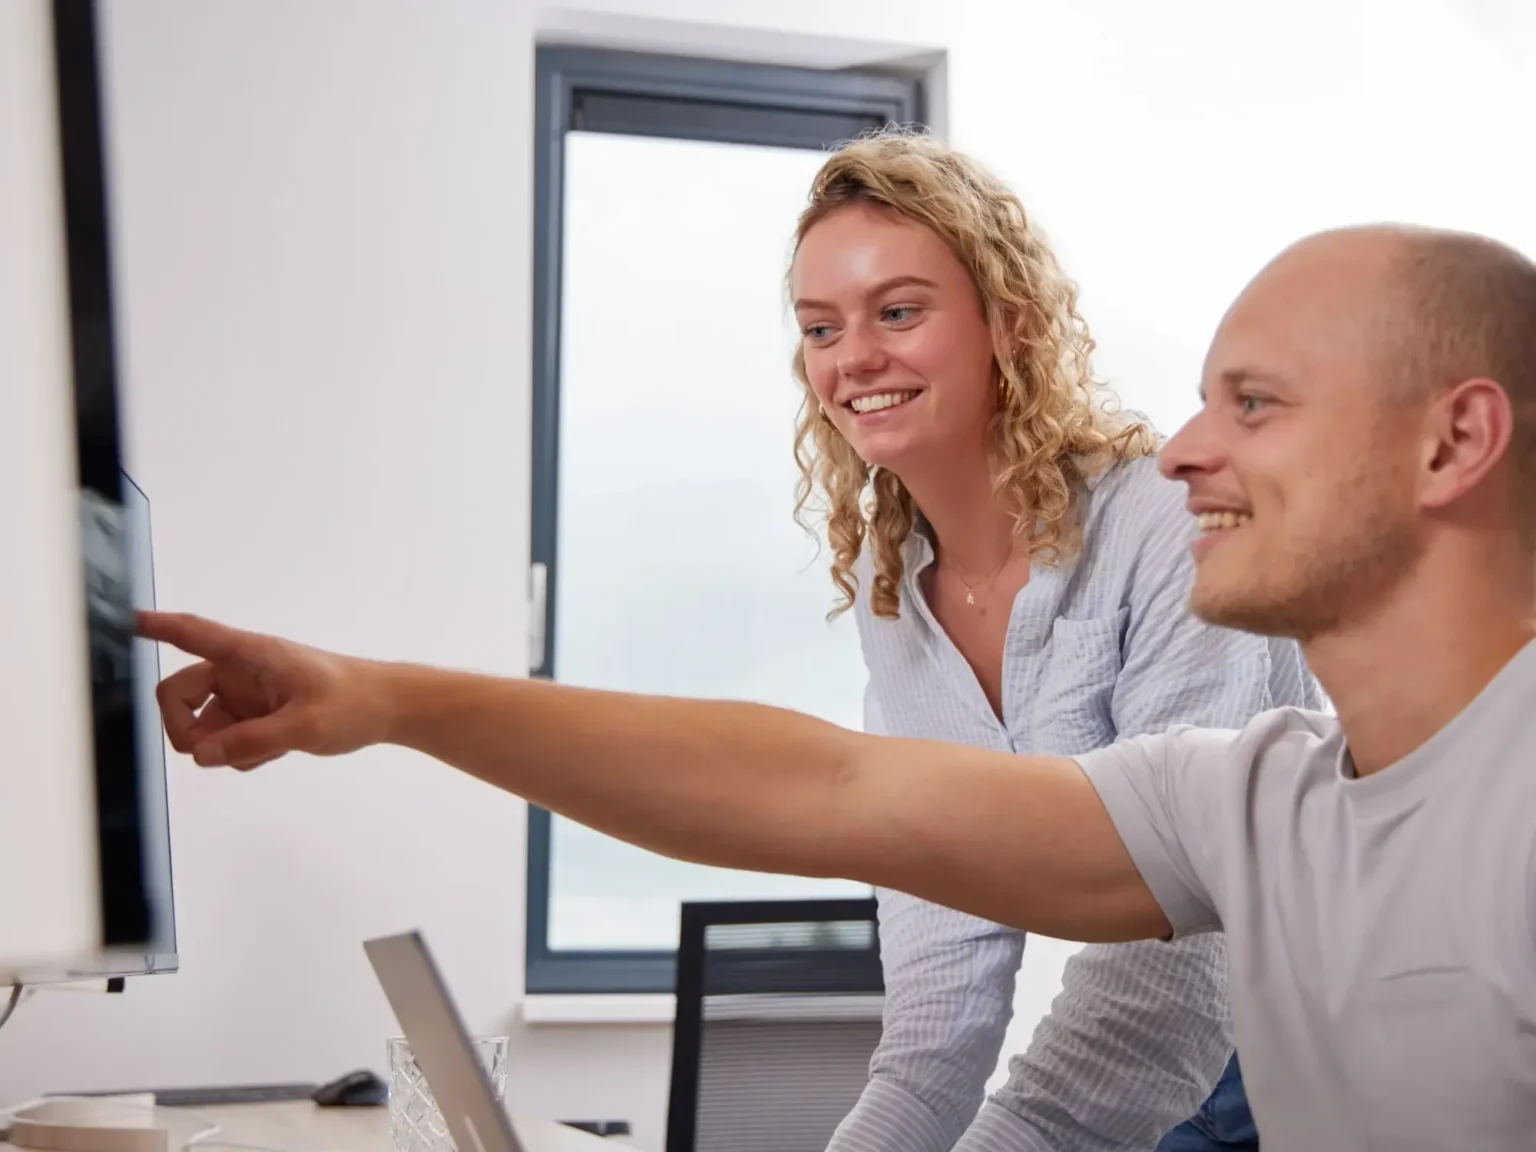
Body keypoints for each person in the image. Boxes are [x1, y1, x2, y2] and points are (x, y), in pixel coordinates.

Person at [140, 221, 1536, 1151]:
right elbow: (831, 790)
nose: (1177, 452)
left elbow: (1138, 1029)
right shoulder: (1253, 799)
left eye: (1255, 405)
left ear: (1454, 440)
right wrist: (384, 702)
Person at [783, 129, 1319, 1152]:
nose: (854, 358)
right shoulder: (892, 592)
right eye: (819, 328)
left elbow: (1181, 946)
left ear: (1010, 323)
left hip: (1301, 1059)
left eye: (898, 311)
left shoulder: (1164, 526)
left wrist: (1011, 1136)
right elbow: (940, 997)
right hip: (1152, 1073)